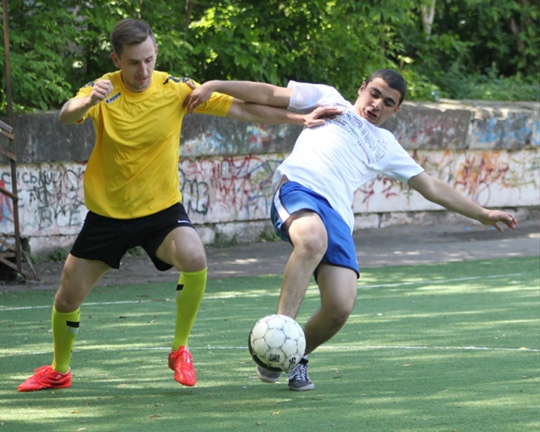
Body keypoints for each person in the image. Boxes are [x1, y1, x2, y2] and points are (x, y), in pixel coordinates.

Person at [17, 19, 340, 392]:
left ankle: (180, 350)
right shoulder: (102, 90)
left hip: (161, 212)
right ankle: (59, 370)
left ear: (156, 53)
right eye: (134, 62)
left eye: (149, 60)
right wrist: (89, 100)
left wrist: (299, 118)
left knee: (194, 256)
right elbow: (67, 113)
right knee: (66, 298)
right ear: (116, 60)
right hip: (108, 216)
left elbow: (240, 109)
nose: (143, 70)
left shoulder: (175, 89)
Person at [184, 69, 518, 391]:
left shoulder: (386, 145)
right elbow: (270, 94)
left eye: (388, 102)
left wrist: (482, 213)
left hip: (338, 216)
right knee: (311, 240)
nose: (377, 104)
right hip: (299, 188)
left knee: (340, 305)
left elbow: (429, 185)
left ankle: (292, 355)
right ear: (362, 88)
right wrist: (215, 84)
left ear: (396, 110)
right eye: (374, 94)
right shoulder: (329, 99)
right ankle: (278, 333)